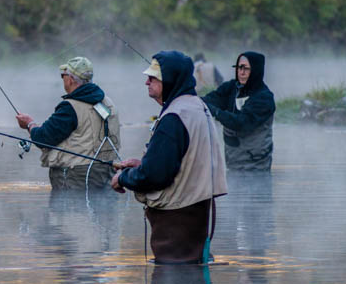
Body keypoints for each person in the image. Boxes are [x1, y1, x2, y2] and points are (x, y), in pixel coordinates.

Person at [111, 50, 227, 263]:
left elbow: (155, 175)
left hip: (176, 224)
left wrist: (124, 178)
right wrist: (142, 164)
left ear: (171, 79)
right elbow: (182, 161)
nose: (147, 82)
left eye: (153, 78)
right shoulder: (196, 106)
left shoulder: (175, 116)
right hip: (197, 215)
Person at [15, 56, 121, 194]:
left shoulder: (70, 107)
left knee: (70, 215)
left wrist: (29, 124)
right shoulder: (108, 102)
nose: (62, 79)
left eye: (63, 76)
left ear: (70, 79)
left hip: (75, 178)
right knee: (101, 213)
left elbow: (42, 138)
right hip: (107, 174)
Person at [201, 51, 274, 171]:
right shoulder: (231, 88)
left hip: (257, 167)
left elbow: (242, 123)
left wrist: (216, 112)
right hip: (233, 164)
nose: (241, 72)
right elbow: (211, 99)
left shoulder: (264, 98)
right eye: (239, 68)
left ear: (256, 70)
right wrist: (192, 100)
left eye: (246, 69)